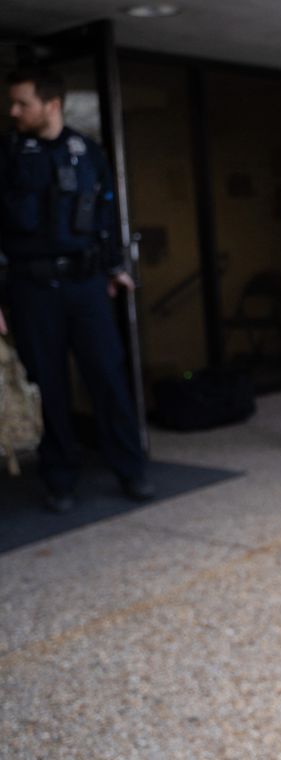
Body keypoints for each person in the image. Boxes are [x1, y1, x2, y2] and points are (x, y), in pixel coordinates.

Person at [0, 67, 152, 514]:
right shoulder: (7, 154)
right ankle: (59, 478)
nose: (13, 111)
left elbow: (106, 214)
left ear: (51, 104)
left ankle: (130, 468)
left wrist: (113, 267)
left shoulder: (87, 152)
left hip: (86, 286)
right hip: (32, 289)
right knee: (48, 386)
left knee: (107, 377)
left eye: (22, 103)